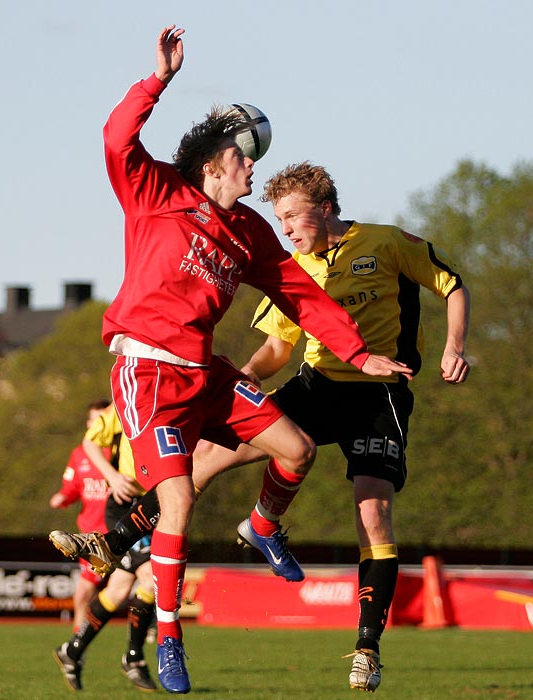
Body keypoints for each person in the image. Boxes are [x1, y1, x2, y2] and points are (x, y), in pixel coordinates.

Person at [49, 24, 411, 695]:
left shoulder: (249, 231)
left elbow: (302, 295)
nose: (253, 170)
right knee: (178, 501)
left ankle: (263, 525)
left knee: (297, 448)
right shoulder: (154, 191)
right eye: (246, 158)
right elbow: (114, 138)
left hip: (205, 372)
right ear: (216, 160)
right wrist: (156, 80)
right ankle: (168, 643)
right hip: (148, 371)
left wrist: (358, 353)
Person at [52, 161, 470, 693]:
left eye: (294, 216)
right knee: (206, 458)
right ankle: (126, 540)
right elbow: (276, 349)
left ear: (326, 206)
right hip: (317, 386)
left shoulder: (386, 243)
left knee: (373, 508)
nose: (287, 229)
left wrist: (455, 345)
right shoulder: (294, 267)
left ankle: (366, 647)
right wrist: (228, 390)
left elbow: (452, 284)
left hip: (379, 393)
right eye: (280, 219)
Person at [53, 404, 157, 692]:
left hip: (159, 501)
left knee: (119, 588)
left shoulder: (176, 389)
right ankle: (133, 658)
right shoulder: (128, 394)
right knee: (151, 576)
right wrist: (112, 477)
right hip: (129, 507)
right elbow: (90, 442)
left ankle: (73, 651)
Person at [49, 399, 111, 629]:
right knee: (85, 593)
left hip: (119, 533)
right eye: (94, 420)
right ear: (88, 423)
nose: (97, 424)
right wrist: (63, 497)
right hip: (90, 536)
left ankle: (77, 649)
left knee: (132, 587)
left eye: (102, 419)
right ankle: (78, 644)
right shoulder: (79, 454)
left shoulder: (122, 450)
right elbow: (73, 487)